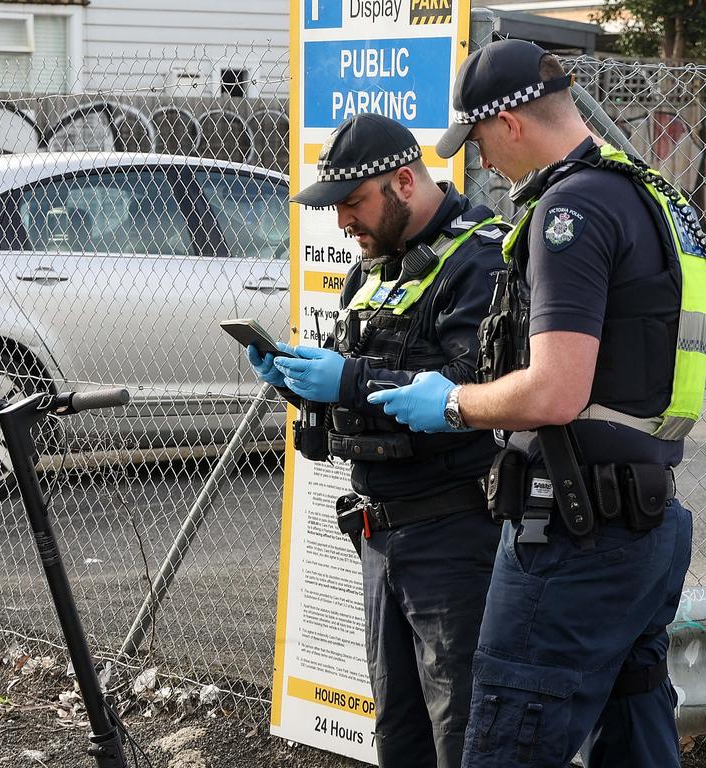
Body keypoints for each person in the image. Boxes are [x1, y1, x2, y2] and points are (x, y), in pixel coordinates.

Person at [370, 39, 700, 768]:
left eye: (481, 139)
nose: (483, 162)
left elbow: (556, 389)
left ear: (511, 123)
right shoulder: (656, 195)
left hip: (575, 536)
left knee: (507, 742)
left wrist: (453, 402)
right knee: (636, 733)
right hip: (649, 526)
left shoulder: (569, 211)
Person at [248, 113, 507, 768]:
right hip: (378, 534)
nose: (342, 223)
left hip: (455, 535)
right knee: (400, 733)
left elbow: (472, 391)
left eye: (353, 204)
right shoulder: (372, 270)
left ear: (401, 182)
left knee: (464, 733)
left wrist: (351, 377)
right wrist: (302, 383)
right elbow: (359, 393)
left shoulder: (480, 257)